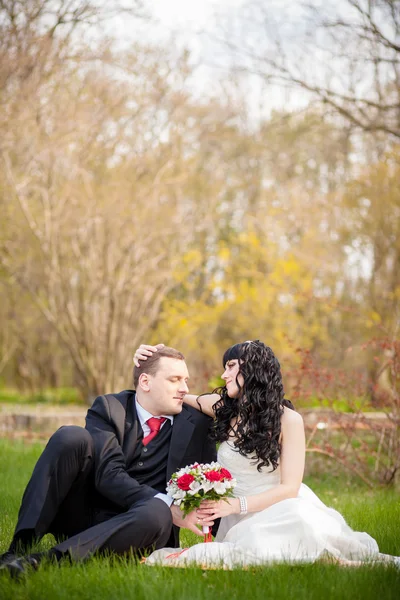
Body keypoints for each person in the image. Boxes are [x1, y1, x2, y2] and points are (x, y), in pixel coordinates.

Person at [134, 341, 400, 568]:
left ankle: (332, 560)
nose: (224, 375)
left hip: (280, 507)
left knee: (296, 525)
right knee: (246, 551)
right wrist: (146, 357)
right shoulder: (225, 410)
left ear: (251, 371)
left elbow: (290, 488)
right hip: (236, 520)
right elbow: (178, 396)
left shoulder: (289, 420)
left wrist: (235, 505)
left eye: (230, 367)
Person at [0, 347, 217, 577]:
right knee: (70, 437)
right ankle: (18, 549)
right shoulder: (109, 408)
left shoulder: (198, 423)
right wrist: (168, 502)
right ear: (145, 382)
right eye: (174, 380)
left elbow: (237, 408)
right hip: (87, 516)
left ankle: (45, 561)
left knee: (157, 510)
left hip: (144, 526)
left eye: (185, 380)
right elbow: (109, 474)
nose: (185, 388)